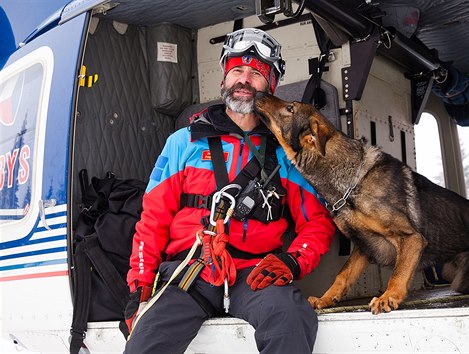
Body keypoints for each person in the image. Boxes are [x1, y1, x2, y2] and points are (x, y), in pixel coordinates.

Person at [123, 28, 335, 354]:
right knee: (145, 343)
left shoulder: (289, 154)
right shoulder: (182, 144)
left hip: (254, 275)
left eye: (256, 73)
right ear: (223, 81)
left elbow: (317, 223)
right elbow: (152, 220)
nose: (244, 79)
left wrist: (292, 262)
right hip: (188, 273)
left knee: (291, 316)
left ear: (271, 86)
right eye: (236, 70)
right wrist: (140, 286)